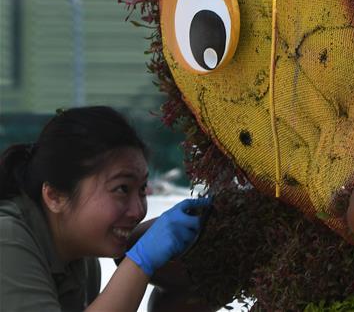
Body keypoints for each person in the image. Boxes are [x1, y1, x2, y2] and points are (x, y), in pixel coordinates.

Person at [0, 105, 211, 312]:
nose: (138, 211)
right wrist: (139, 262)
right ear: (54, 196)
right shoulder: (7, 241)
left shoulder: (82, 262)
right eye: (122, 189)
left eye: (142, 189)